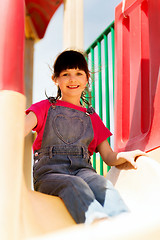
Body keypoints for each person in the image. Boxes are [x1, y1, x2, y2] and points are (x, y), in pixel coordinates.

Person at [25, 50, 145, 224]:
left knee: (101, 183)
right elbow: (21, 127)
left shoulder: (91, 116)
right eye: (66, 74)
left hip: (83, 171)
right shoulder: (44, 107)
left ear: (87, 78)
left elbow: (109, 156)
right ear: (55, 79)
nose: (72, 79)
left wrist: (125, 156)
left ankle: (123, 221)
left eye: (78, 73)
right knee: (74, 184)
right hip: (50, 175)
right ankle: (96, 222)